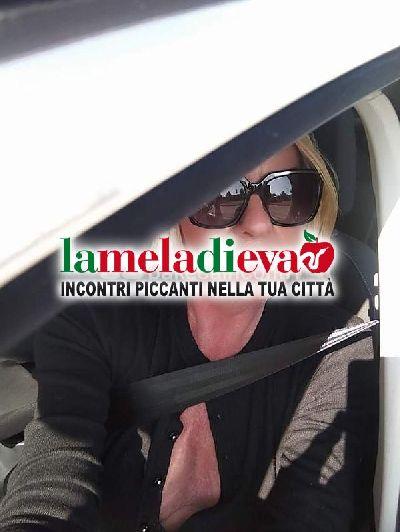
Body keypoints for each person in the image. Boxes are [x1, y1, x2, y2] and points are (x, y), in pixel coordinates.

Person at [0, 136, 378, 532]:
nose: (258, 224)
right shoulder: (93, 317)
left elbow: (312, 512)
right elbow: (52, 479)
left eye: (288, 191)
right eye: (222, 195)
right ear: (171, 209)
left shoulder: (334, 350)